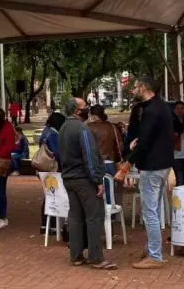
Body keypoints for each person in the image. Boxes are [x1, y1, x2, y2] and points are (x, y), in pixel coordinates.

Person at [114, 75, 173, 269]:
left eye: (135, 87)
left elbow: (146, 142)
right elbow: (149, 137)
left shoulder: (150, 111)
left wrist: (125, 167)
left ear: (143, 88)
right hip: (163, 164)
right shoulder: (162, 107)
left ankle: (155, 255)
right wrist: (138, 141)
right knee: (153, 210)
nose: (133, 91)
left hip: (152, 166)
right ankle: (150, 249)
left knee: (150, 212)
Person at [59, 97, 116, 269]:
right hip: (84, 179)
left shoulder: (63, 128)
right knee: (94, 216)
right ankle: (96, 257)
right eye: (84, 106)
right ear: (77, 111)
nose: (88, 109)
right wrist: (98, 180)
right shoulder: (82, 129)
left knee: (75, 217)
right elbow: (90, 157)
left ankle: (76, 255)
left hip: (69, 178)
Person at [87, 105, 122, 172]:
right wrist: (118, 160)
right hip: (109, 163)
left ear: (92, 115)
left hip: (94, 163)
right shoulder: (112, 127)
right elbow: (119, 146)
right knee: (111, 181)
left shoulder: (88, 127)